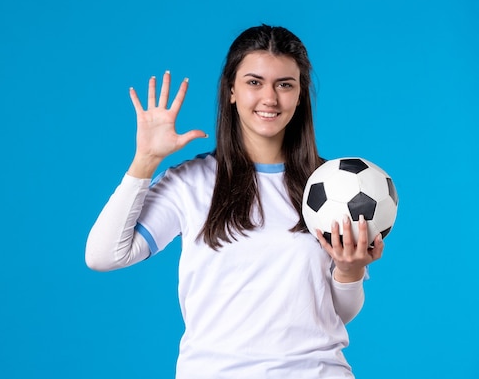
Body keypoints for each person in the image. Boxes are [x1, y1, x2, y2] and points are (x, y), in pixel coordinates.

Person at [85, 24, 384, 379]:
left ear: (301, 94)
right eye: (254, 82)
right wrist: (146, 160)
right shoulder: (190, 182)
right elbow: (104, 256)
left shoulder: (334, 186)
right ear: (231, 90)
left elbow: (336, 314)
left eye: (284, 84)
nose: (269, 98)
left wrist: (349, 272)